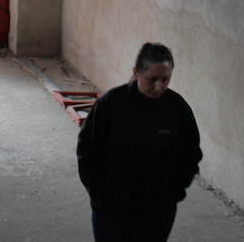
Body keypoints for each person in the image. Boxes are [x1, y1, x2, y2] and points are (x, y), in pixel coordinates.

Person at [76, 42, 202, 242]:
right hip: (111, 212)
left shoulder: (177, 108)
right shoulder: (111, 104)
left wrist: (173, 192)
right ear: (136, 73)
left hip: (157, 213)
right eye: (152, 79)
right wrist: (100, 194)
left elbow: (190, 154)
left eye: (165, 79)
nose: (159, 87)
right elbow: (88, 151)